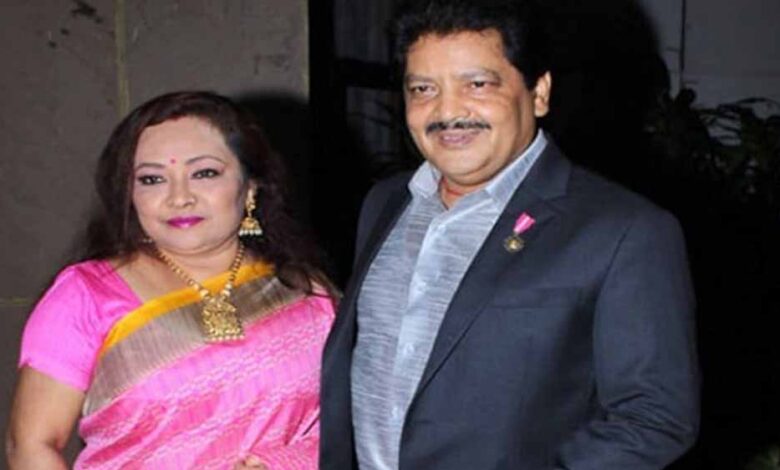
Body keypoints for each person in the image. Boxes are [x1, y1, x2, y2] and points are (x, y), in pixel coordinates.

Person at [320, 0, 700, 468]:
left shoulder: (624, 231)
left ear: (538, 93)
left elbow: (655, 417)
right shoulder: (385, 203)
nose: (447, 111)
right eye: (423, 89)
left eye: (477, 84)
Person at [6, 91, 335, 469]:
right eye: (152, 179)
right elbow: (32, 446)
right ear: (130, 196)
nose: (179, 198)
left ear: (250, 187)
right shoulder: (87, 296)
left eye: (204, 173)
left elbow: (353, 424)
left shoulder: (306, 295)